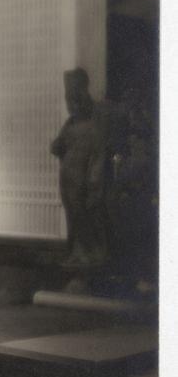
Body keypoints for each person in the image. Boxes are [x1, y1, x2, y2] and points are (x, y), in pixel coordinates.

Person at [50, 68, 110, 268]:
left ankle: (89, 253)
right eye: (69, 100)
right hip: (68, 178)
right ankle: (76, 252)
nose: (72, 105)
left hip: (83, 180)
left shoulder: (95, 123)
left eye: (76, 99)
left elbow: (99, 155)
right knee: (72, 216)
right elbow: (58, 145)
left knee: (84, 215)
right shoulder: (70, 123)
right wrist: (57, 146)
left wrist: (94, 182)